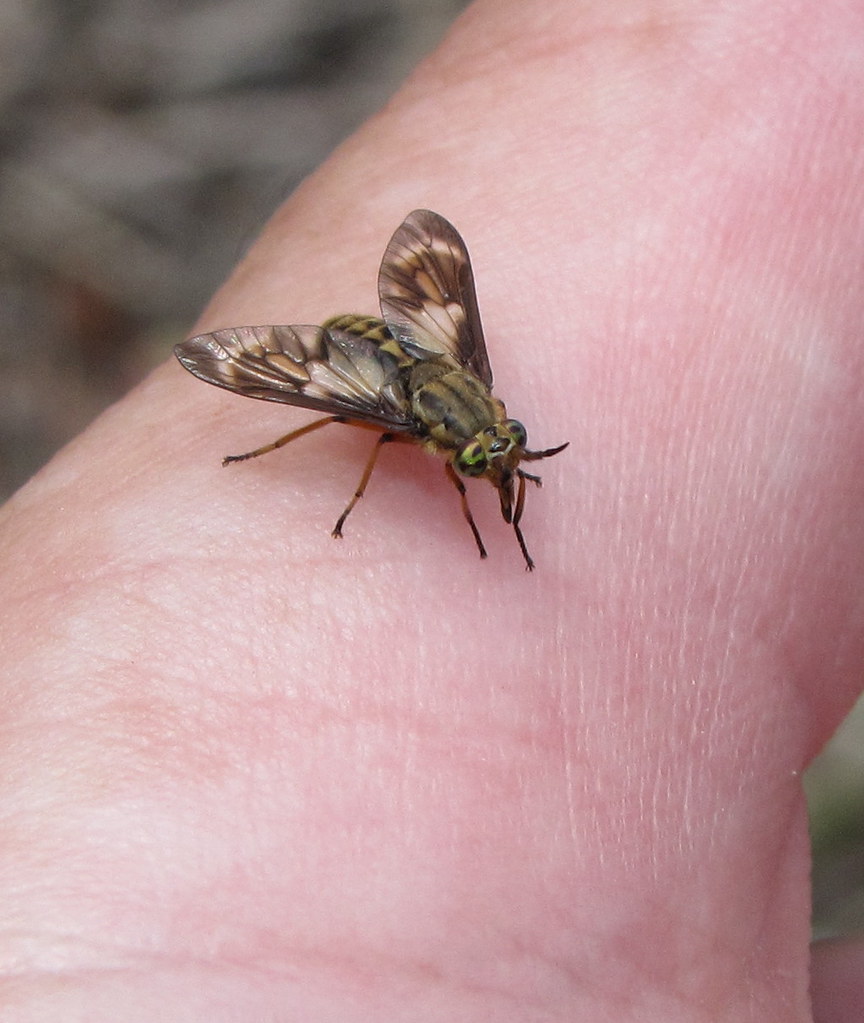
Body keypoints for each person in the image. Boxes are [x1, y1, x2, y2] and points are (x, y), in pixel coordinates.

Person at [2, 0, 863, 1018]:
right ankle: (278, 441)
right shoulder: (420, 436)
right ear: (465, 439)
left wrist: (504, 468)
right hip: (370, 367)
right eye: (491, 456)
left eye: (498, 453)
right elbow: (383, 398)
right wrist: (423, 500)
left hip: (422, 363)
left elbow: (456, 344)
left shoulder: (483, 425)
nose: (499, 462)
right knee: (334, 424)